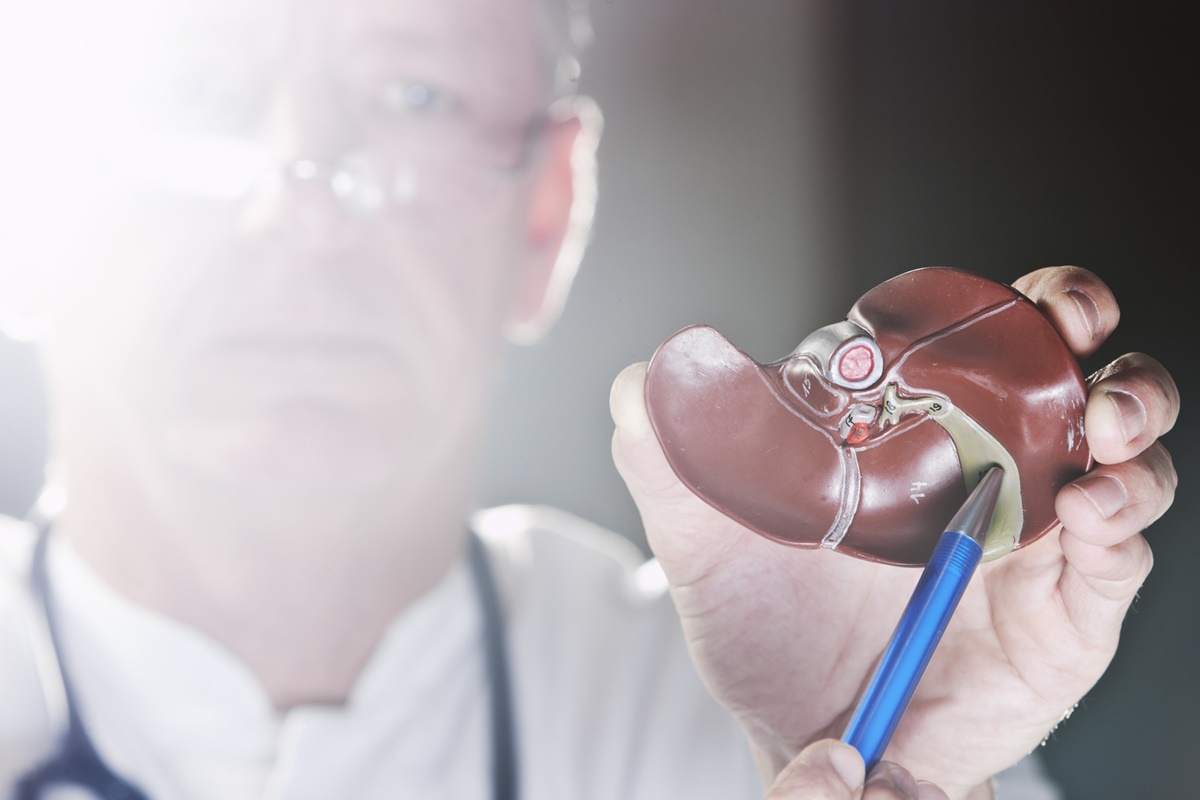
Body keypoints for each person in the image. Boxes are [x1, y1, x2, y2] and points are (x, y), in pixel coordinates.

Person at [0, 0, 1178, 798]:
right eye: (192, 88)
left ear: (548, 208)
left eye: (414, 98)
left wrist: (903, 750)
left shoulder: (754, 702)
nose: (300, 210)